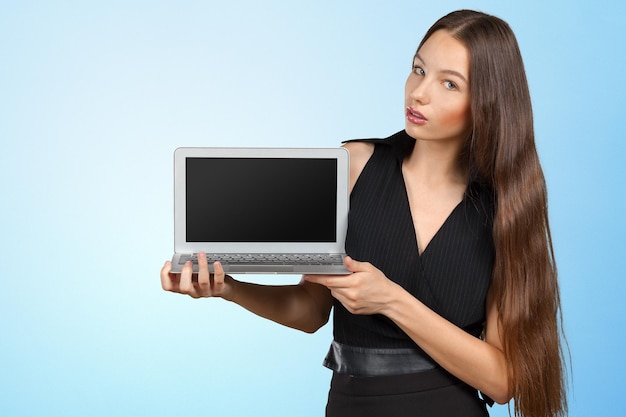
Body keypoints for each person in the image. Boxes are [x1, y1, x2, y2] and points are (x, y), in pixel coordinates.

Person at [161, 9, 567, 417]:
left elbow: (502, 382)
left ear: (487, 102)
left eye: (449, 83)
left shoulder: (505, 209)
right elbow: (309, 311)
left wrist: (392, 301)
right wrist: (228, 287)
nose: (419, 93)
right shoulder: (353, 166)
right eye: (418, 70)